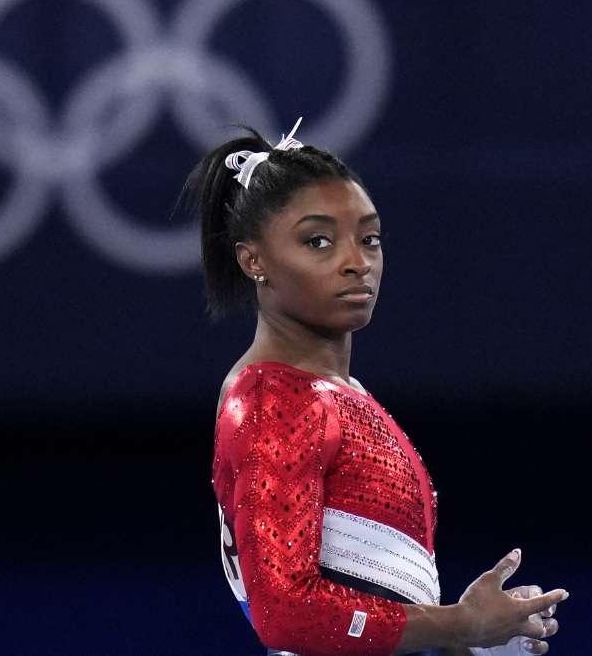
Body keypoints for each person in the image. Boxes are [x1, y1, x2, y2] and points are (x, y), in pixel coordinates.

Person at [185, 119, 568, 656]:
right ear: (254, 260)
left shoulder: (337, 393)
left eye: (369, 239)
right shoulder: (276, 399)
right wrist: (460, 625)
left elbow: (364, 603)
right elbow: (284, 612)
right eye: (318, 241)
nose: (356, 263)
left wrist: (473, 641)